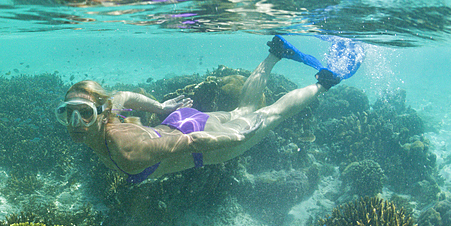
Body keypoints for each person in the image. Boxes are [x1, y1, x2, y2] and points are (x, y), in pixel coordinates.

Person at [56, 35, 359, 184]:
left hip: (204, 142)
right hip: (182, 121)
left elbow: (192, 143)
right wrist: (161, 107)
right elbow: (124, 95)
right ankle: (275, 54)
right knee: (247, 107)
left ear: (100, 110)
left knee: (270, 114)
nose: (74, 122)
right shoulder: (111, 109)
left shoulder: (126, 151)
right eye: (66, 112)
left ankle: (325, 83)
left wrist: (236, 140)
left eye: (83, 112)